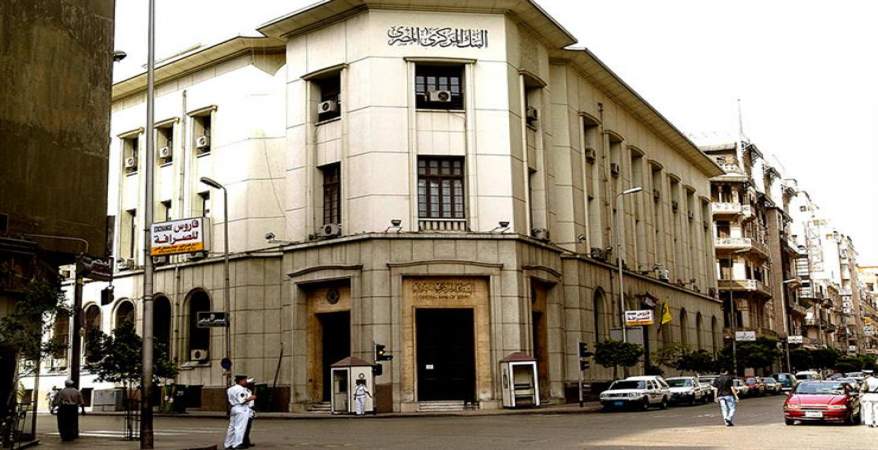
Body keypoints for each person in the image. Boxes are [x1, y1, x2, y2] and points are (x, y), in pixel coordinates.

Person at [224, 375, 256, 449]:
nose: (246, 382)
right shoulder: (241, 389)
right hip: (241, 408)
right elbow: (242, 400)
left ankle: (228, 444)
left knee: (231, 428)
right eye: (244, 380)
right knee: (240, 427)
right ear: (240, 381)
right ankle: (237, 444)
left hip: (234, 407)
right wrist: (251, 398)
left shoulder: (230, 389)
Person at [241, 378, 256, 448]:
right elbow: (242, 401)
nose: (253, 385)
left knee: (248, 428)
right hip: (245, 411)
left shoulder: (249, 391)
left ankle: (247, 441)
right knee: (244, 428)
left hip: (250, 411)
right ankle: (243, 443)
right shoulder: (243, 391)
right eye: (251, 384)